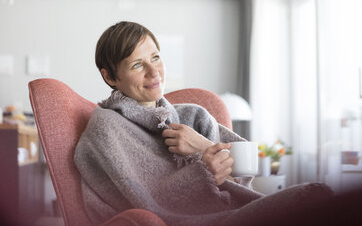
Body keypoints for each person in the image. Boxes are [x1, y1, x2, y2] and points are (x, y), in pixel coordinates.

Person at [74, 21, 332, 226]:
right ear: (110, 76)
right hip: (191, 220)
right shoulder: (106, 128)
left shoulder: (192, 115)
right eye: (137, 64)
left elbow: (249, 172)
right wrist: (202, 172)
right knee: (313, 198)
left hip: (234, 209)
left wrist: (203, 146)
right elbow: (139, 202)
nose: (154, 73)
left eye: (155, 58)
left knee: (318, 199)